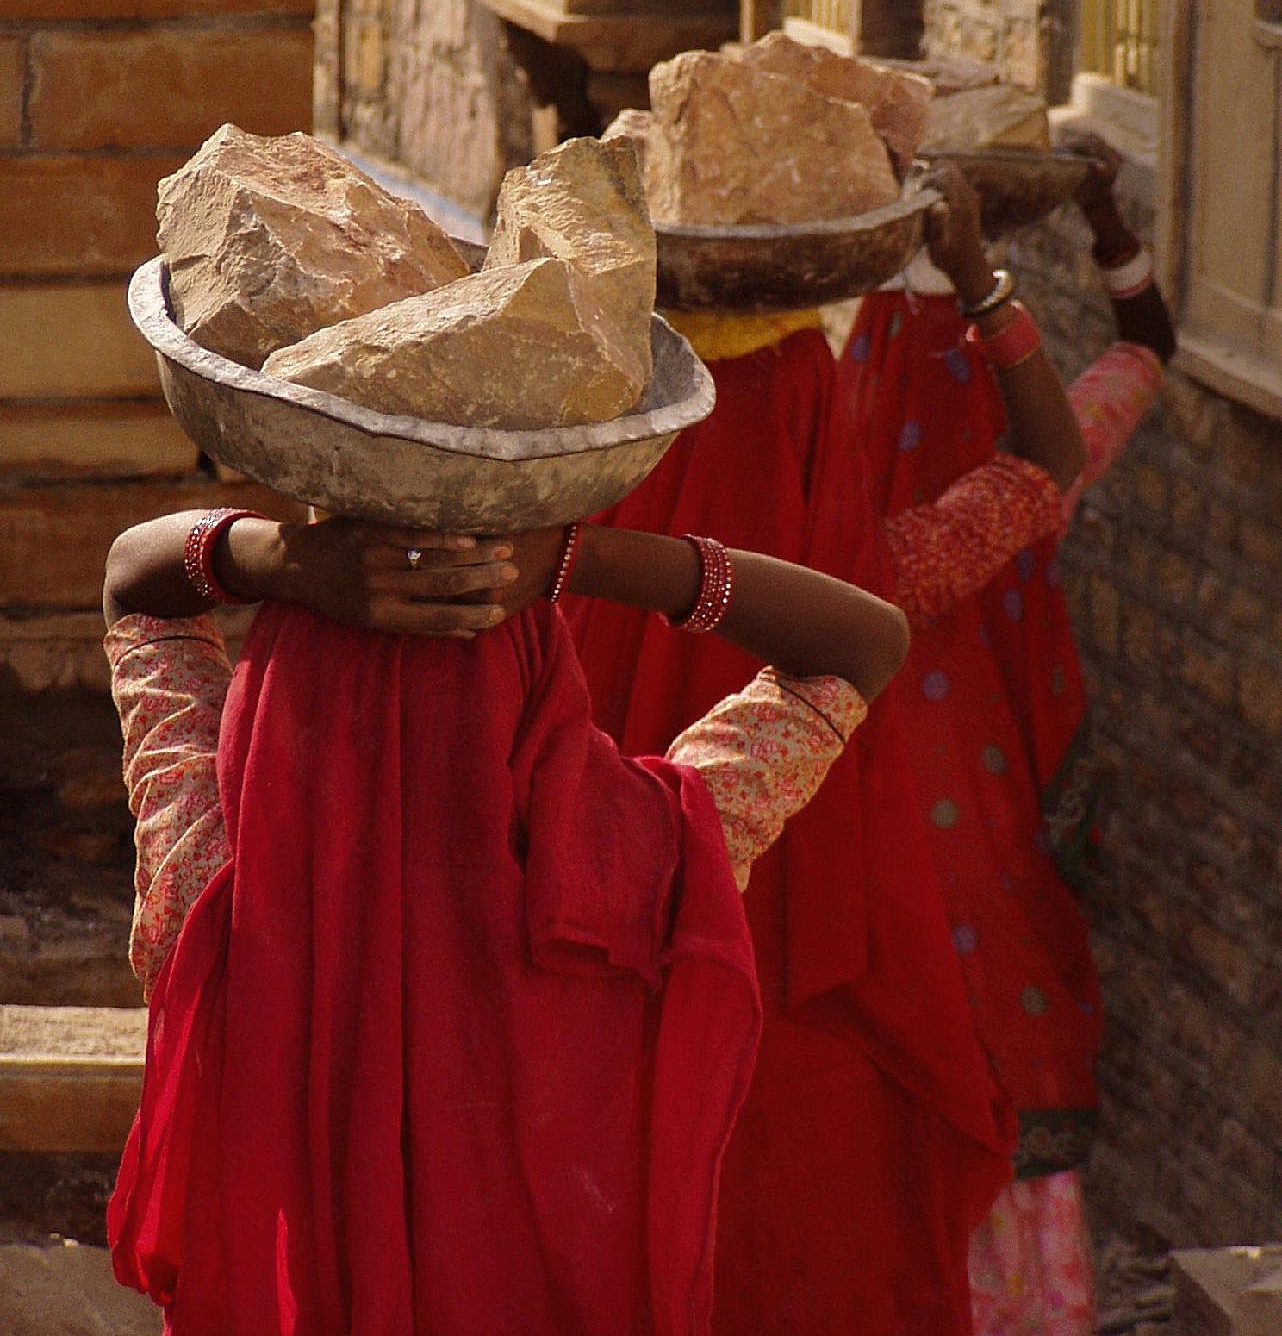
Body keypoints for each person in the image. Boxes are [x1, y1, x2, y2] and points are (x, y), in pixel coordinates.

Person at [103, 501, 909, 1336]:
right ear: (538, 689)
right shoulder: (636, 869)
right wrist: (568, 560)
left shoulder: (210, 877)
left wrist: (282, 561)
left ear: (271, 696)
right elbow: (861, 644)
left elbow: (136, 583)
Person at [562, 169, 1089, 1336]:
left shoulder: (546, 604)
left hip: (591, 1058)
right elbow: (1047, 463)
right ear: (818, 435)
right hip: (828, 1031)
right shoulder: (871, 594)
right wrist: (975, 281)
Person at [841, 133, 1174, 1336]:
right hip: (1006, 889)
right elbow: (1148, 349)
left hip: (872, 961)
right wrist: (1102, 221)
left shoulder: (809, 555)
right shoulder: (1037, 481)